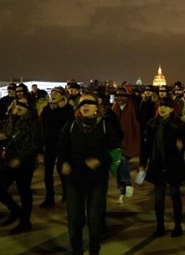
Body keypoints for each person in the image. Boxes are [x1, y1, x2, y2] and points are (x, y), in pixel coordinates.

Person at [57, 93, 121, 255]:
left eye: (90, 103)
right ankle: (76, 249)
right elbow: (62, 148)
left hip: (96, 179)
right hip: (74, 179)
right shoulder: (71, 126)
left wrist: (99, 160)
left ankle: (94, 249)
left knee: (94, 218)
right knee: (75, 219)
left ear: (96, 108)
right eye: (82, 103)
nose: (85, 106)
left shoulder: (105, 126)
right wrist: (63, 163)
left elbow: (114, 150)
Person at [139, 97, 185, 237]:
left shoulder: (178, 124)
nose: (162, 108)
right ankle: (159, 226)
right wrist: (142, 164)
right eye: (160, 106)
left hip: (174, 164)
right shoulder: (152, 124)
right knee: (158, 198)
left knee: (175, 195)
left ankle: (177, 225)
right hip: (157, 164)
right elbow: (146, 146)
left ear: (172, 109)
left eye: (166, 106)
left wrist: (182, 144)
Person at [0, 95, 43, 234]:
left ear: (30, 108)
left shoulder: (34, 123)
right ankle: (16, 211)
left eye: (23, 105)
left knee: (24, 191)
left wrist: (20, 159)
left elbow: (37, 145)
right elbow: (7, 132)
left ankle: (25, 221)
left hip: (25, 163)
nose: (19, 107)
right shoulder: (12, 118)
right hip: (9, 160)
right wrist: (3, 136)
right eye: (18, 104)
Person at [40, 86, 74, 207]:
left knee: (62, 170)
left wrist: (60, 108)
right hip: (49, 144)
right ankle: (49, 197)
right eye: (52, 92)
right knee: (47, 172)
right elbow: (43, 126)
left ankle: (67, 193)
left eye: (56, 93)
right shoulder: (46, 110)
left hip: (63, 144)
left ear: (62, 96)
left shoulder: (68, 110)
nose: (53, 94)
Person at [111, 88, 140, 205]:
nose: (119, 99)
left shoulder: (133, 109)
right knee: (118, 166)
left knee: (123, 160)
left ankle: (127, 183)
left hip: (129, 141)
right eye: (117, 96)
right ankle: (122, 192)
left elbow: (136, 126)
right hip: (117, 143)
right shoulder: (114, 109)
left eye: (122, 96)